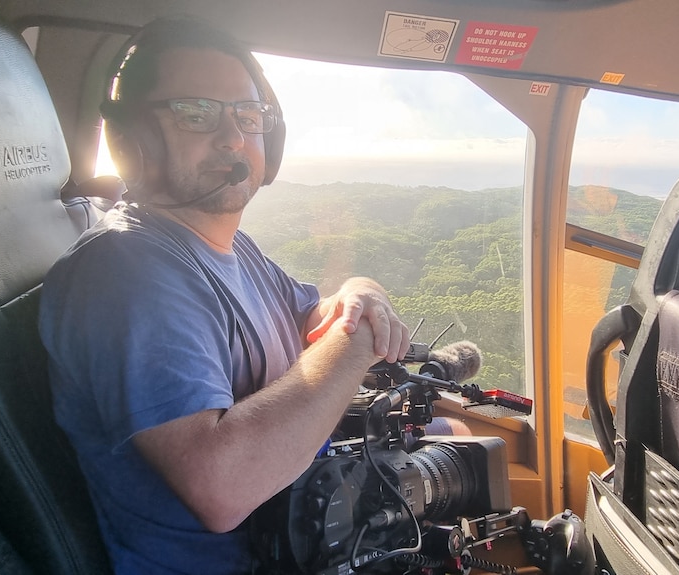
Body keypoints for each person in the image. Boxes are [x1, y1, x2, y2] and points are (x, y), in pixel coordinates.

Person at [38, 18, 411, 575]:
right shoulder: (126, 269)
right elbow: (223, 486)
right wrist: (357, 344)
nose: (233, 138)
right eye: (196, 112)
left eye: (247, 116)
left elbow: (317, 314)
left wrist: (362, 291)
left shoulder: (236, 251)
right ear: (130, 137)